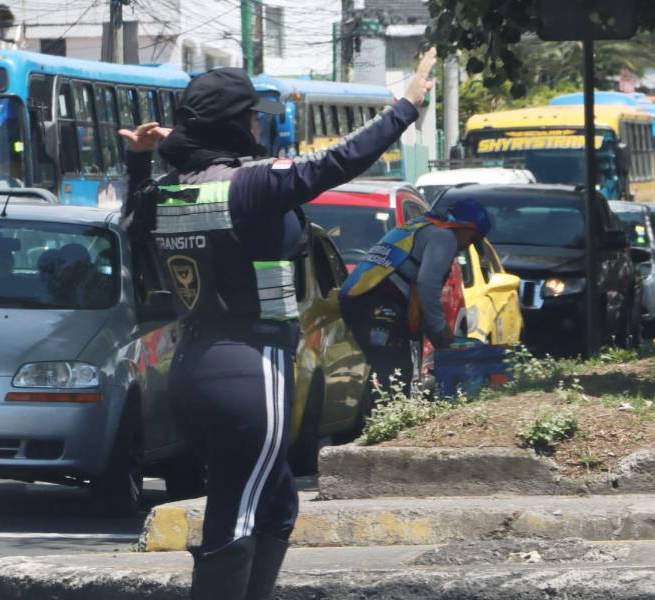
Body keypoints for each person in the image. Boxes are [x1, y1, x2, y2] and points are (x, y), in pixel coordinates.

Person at [119, 49, 438, 600]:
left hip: (191, 364)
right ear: (234, 124)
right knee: (237, 512)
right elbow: (340, 160)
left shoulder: (168, 191)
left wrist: (140, 160)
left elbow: (131, 219)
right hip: (252, 366)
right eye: (251, 117)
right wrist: (405, 107)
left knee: (276, 503)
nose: (257, 126)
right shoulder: (252, 186)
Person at [338, 198, 492, 391]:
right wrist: (439, 329)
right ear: (465, 228)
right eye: (472, 239)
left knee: (382, 371)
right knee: (396, 377)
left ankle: (378, 406)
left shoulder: (417, 226)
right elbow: (427, 285)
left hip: (357, 300)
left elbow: (417, 293)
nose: (466, 246)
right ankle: (391, 408)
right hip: (379, 303)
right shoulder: (444, 237)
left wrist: (436, 335)